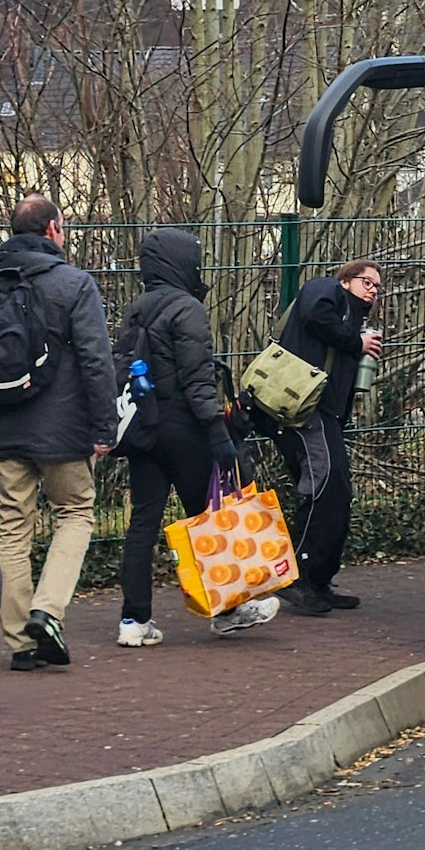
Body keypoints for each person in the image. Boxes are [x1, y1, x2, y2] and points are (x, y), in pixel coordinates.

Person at [0, 195, 117, 671]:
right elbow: (96, 359)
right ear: (53, 229)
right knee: (76, 512)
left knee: (12, 529)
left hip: (4, 426)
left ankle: (20, 645)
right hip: (63, 428)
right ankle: (47, 612)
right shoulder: (74, 284)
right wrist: (104, 426)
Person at [113, 228, 279, 645]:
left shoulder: (136, 310)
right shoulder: (186, 308)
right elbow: (197, 378)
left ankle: (133, 622)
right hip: (184, 430)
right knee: (210, 517)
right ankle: (229, 608)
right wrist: (216, 430)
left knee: (143, 523)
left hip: (143, 429)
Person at [273, 259, 382, 615]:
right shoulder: (326, 289)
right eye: (367, 282)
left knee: (337, 490)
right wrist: (357, 341)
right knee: (325, 484)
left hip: (327, 414)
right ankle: (298, 578)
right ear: (347, 280)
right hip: (307, 409)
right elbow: (315, 316)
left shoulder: (353, 319)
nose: (373, 291)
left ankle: (319, 579)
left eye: (378, 288)